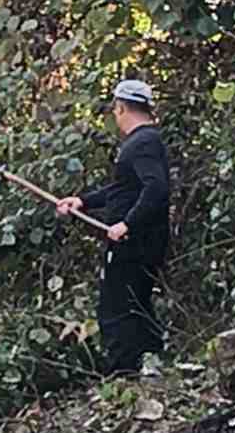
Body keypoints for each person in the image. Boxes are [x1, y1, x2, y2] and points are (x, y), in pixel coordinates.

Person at [57, 78, 171, 375]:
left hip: (134, 242)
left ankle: (124, 373)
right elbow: (123, 189)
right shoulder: (143, 142)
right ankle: (149, 364)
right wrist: (82, 201)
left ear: (121, 108)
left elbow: (156, 189)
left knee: (116, 308)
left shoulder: (143, 142)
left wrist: (127, 224)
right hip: (136, 239)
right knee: (135, 302)